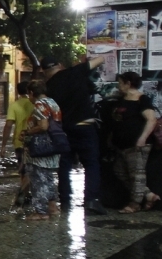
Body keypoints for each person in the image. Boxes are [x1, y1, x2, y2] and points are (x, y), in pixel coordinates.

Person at [43, 56, 108, 215]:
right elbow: (102, 59)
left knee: (64, 166)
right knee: (91, 163)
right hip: (85, 126)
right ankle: (91, 200)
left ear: (45, 72)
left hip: (64, 130)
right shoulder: (74, 72)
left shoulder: (49, 86)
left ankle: (65, 201)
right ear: (60, 64)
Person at [104, 72, 160, 213]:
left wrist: (143, 137)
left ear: (128, 83)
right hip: (121, 145)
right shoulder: (121, 99)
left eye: (121, 83)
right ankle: (149, 195)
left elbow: (151, 119)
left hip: (136, 145)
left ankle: (134, 204)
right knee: (120, 171)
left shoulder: (142, 99)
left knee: (137, 174)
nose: (119, 86)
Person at [20, 80, 62, 220]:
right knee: (48, 178)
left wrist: (28, 132)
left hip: (40, 148)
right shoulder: (53, 103)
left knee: (38, 179)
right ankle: (52, 207)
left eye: (29, 94)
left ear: (32, 93)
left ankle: (41, 212)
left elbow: (43, 126)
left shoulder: (39, 105)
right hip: (53, 146)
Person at [0, 82, 34, 207]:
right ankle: (27, 193)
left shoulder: (14, 105)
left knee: (23, 170)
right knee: (34, 168)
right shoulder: (35, 104)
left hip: (19, 142)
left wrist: (3, 146)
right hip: (35, 141)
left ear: (18, 92)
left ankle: (25, 194)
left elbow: (8, 125)